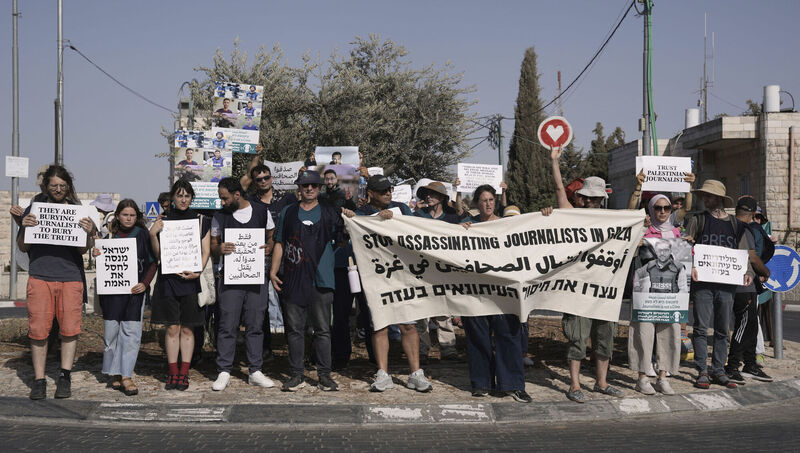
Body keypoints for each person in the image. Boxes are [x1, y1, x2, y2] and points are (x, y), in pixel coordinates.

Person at [343, 175, 433, 393]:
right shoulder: (362, 214)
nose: (387, 194)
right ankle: (383, 374)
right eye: (382, 191)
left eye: (389, 190)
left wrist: (394, 220)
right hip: (376, 278)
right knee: (380, 325)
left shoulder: (402, 209)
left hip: (402, 276)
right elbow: (352, 238)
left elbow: (416, 229)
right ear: (370, 193)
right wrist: (349, 219)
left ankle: (415, 374)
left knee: (408, 325)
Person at [549, 147, 623, 403]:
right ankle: (574, 384)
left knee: (605, 339)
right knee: (577, 339)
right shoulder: (573, 216)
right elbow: (560, 192)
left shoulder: (613, 222)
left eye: (596, 198)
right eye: (588, 198)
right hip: (577, 291)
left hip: (604, 291)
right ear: (581, 198)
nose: (593, 202)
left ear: (602, 199)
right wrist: (554, 162)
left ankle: (602, 383)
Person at [16, 165, 96, 400]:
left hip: (70, 277)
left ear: (68, 187)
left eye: (63, 185)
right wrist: (25, 228)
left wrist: (90, 233)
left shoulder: (78, 211)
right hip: (40, 277)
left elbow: (82, 249)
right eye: (54, 186)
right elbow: (23, 247)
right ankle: (39, 379)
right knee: (38, 332)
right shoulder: (35, 209)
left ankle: (65, 376)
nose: (59, 189)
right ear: (46, 187)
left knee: (70, 331)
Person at [270, 170, 343, 392]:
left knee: (322, 330)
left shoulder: (331, 212)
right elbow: (280, 243)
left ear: (319, 188)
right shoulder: (288, 213)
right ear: (299, 188)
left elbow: (344, 239)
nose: (309, 188)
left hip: (322, 281)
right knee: (294, 330)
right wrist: (273, 272)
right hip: (293, 280)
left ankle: (324, 376)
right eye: (304, 185)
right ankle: (296, 375)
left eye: (313, 185)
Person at [458, 185, 530, 403]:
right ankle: (481, 383)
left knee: (508, 337)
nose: (488, 204)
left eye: (491, 200)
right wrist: (460, 231)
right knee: (478, 338)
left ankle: (513, 385)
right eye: (483, 200)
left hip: (504, 292)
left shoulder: (508, 224)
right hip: (476, 292)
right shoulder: (468, 227)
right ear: (477, 204)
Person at [684, 179, 754, 389]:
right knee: (701, 328)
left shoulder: (736, 224)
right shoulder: (698, 220)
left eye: (710, 196)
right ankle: (702, 371)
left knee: (723, 329)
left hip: (726, 285)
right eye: (704, 196)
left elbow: (743, 253)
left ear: (720, 199)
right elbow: (688, 248)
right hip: (703, 284)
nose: (706, 199)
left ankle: (719, 370)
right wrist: (692, 264)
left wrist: (748, 271)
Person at [210, 178, 276, 390]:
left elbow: (272, 236)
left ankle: (255, 370)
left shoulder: (260, 211)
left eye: (225, 198)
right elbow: (213, 244)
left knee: (255, 324)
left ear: (237, 195)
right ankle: (224, 370)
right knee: (227, 325)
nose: (222, 202)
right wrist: (220, 249)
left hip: (256, 277)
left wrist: (269, 247)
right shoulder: (220, 216)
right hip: (230, 278)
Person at [149, 180, 211, 391]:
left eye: (187, 196)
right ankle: (172, 372)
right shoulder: (164, 220)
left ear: (191, 197)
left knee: (188, 329)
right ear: (172, 198)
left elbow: (205, 252)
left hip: (190, 281)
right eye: (179, 195)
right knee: (172, 328)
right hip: (169, 280)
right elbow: (158, 255)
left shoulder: (201, 220)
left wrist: (198, 271)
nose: (183, 199)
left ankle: (184, 373)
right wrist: (152, 234)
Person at [94, 200, 156, 396]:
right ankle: (114, 372)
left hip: (134, 293)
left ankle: (127, 375)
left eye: (132, 215)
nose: (128, 218)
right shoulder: (108, 235)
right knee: (111, 334)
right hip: (112, 294)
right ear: (118, 215)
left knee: (131, 335)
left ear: (136, 217)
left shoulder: (143, 235)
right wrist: (97, 253)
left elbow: (153, 263)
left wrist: (144, 284)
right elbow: (101, 262)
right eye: (125, 215)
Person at [629, 195, 688, 395]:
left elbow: (683, 264)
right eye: (658, 208)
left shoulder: (676, 233)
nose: (662, 212)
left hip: (670, 296)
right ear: (651, 209)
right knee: (643, 334)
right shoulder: (643, 230)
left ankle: (663, 377)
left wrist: (689, 249)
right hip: (645, 295)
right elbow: (630, 249)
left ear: (671, 210)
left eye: (667, 208)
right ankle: (643, 377)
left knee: (670, 333)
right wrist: (638, 238)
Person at [240, 161, 297, 357]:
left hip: (286, 258)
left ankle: (294, 348)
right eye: (259, 179)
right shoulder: (249, 201)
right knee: (260, 306)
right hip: (259, 258)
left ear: (272, 178)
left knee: (289, 303)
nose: (263, 181)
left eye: (266, 177)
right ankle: (264, 349)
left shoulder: (288, 198)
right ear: (254, 182)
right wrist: (255, 156)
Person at [725, 196, 773, 384]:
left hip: (745, 283)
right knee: (744, 325)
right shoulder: (744, 229)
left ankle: (750, 365)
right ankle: (732, 366)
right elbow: (753, 258)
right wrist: (766, 271)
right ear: (753, 214)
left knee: (752, 325)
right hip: (741, 285)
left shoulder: (728, 226)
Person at [413, 181, 460, 362]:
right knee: (421, 313)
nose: (428, 197)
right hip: (422, 270)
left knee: (444, 311)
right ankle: (422, 350)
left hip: (443, 272)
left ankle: (448, 348)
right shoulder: (418, 216)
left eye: (432, 194)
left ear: (441, 198)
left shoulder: (452, 218)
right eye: (426, 194)